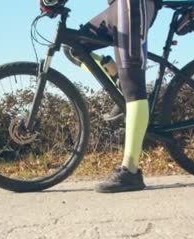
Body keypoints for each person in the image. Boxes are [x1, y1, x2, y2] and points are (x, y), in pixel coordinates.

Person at [40, 0, 159, 193]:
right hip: (117, 7)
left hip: (133, 5)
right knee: (74, 48)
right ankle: (119, 82)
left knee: (134, 86)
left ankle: (130, 172)